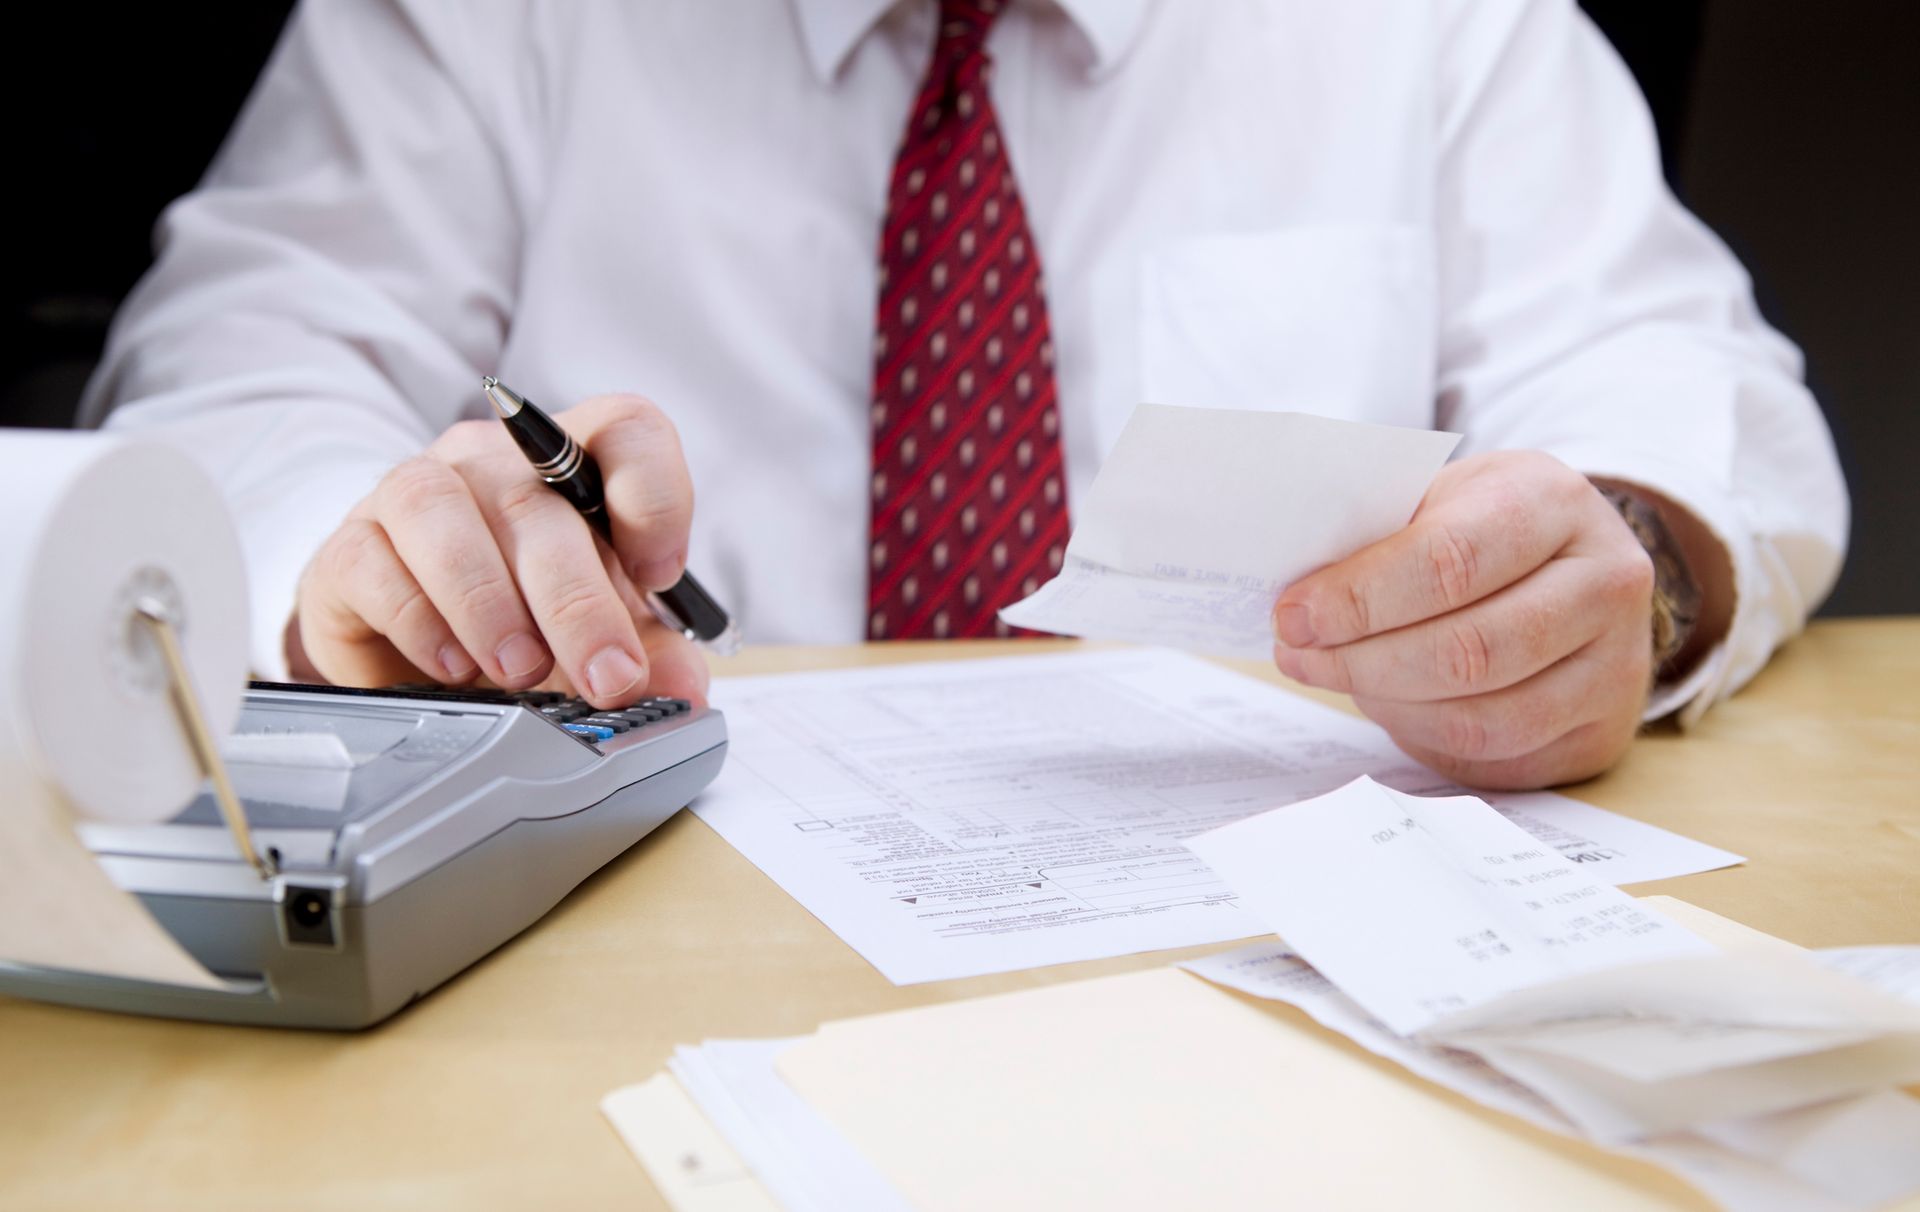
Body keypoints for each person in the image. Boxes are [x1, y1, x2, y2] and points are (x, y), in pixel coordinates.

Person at [82, 0, 1847, 791]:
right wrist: (371, 555)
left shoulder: (1437, 23)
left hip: (1283, 977)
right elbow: (221, 382)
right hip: (644, 949)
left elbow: (1681, 382)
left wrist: (1631, 565)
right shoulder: (486, 18)